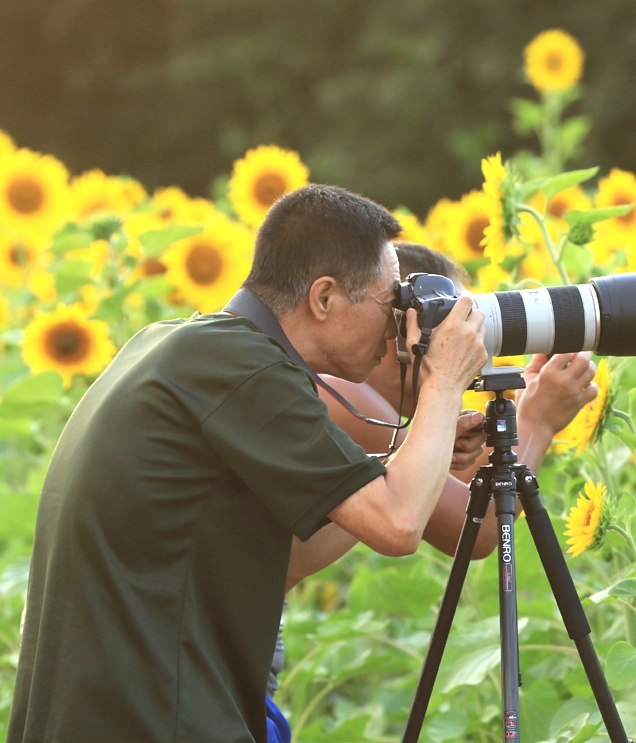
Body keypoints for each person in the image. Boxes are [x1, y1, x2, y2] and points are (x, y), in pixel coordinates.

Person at [8, 185, 488, 743]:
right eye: (389, 304)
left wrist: (407, 458)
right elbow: (399, 524)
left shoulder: (183, 345)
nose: (396, 328)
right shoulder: (247, 370)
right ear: (324, 298)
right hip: (158, 720)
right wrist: (446, 383)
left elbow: (291, 553)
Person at [284, 242, 600, 594]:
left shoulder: (328, 392)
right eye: (451, 329)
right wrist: (537, 421)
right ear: (404, 325)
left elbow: (443, 485)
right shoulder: (337, 394)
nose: (468, 348)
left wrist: (522, 411)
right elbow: (475, 528)